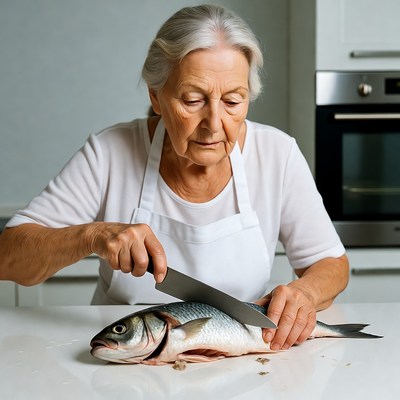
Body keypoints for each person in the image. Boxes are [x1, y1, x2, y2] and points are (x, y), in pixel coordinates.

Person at [0, 4, 348, 351]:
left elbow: (331, 263)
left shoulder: (277, 154)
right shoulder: (109, 153)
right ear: (156, 95)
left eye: (232, 101)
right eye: (193, 100)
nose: (214, 123)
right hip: (124, 363)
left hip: (244, 362)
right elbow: (8, 258)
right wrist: (92, 236)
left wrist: (305, 292)